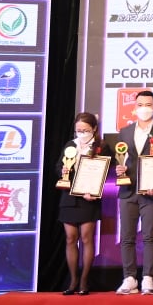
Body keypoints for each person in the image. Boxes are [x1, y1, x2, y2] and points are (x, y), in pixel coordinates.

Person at [114, 89, 153, 295]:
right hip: (127, 191)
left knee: (149, 236)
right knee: (127, 237)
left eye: (148, 105)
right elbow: (122, 159)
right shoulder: (124, 132)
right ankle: (129, 278)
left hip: (151, 192)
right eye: (140, 105)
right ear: (134, 108)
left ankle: (148, 277)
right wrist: (120, 169)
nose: (144, 108)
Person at [57, 112, 103, 295]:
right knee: (70, 238)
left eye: (85, 130)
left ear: (94, 129)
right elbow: (57, 167)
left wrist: (93, 190)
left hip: (89, 198)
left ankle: (84, 280)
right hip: (69, 197)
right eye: (79, 130)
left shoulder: (101, 147)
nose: (82, 133)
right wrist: (63, 171)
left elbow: (104, 171)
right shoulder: (70, 145)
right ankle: (73, 280)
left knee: (86, 238)